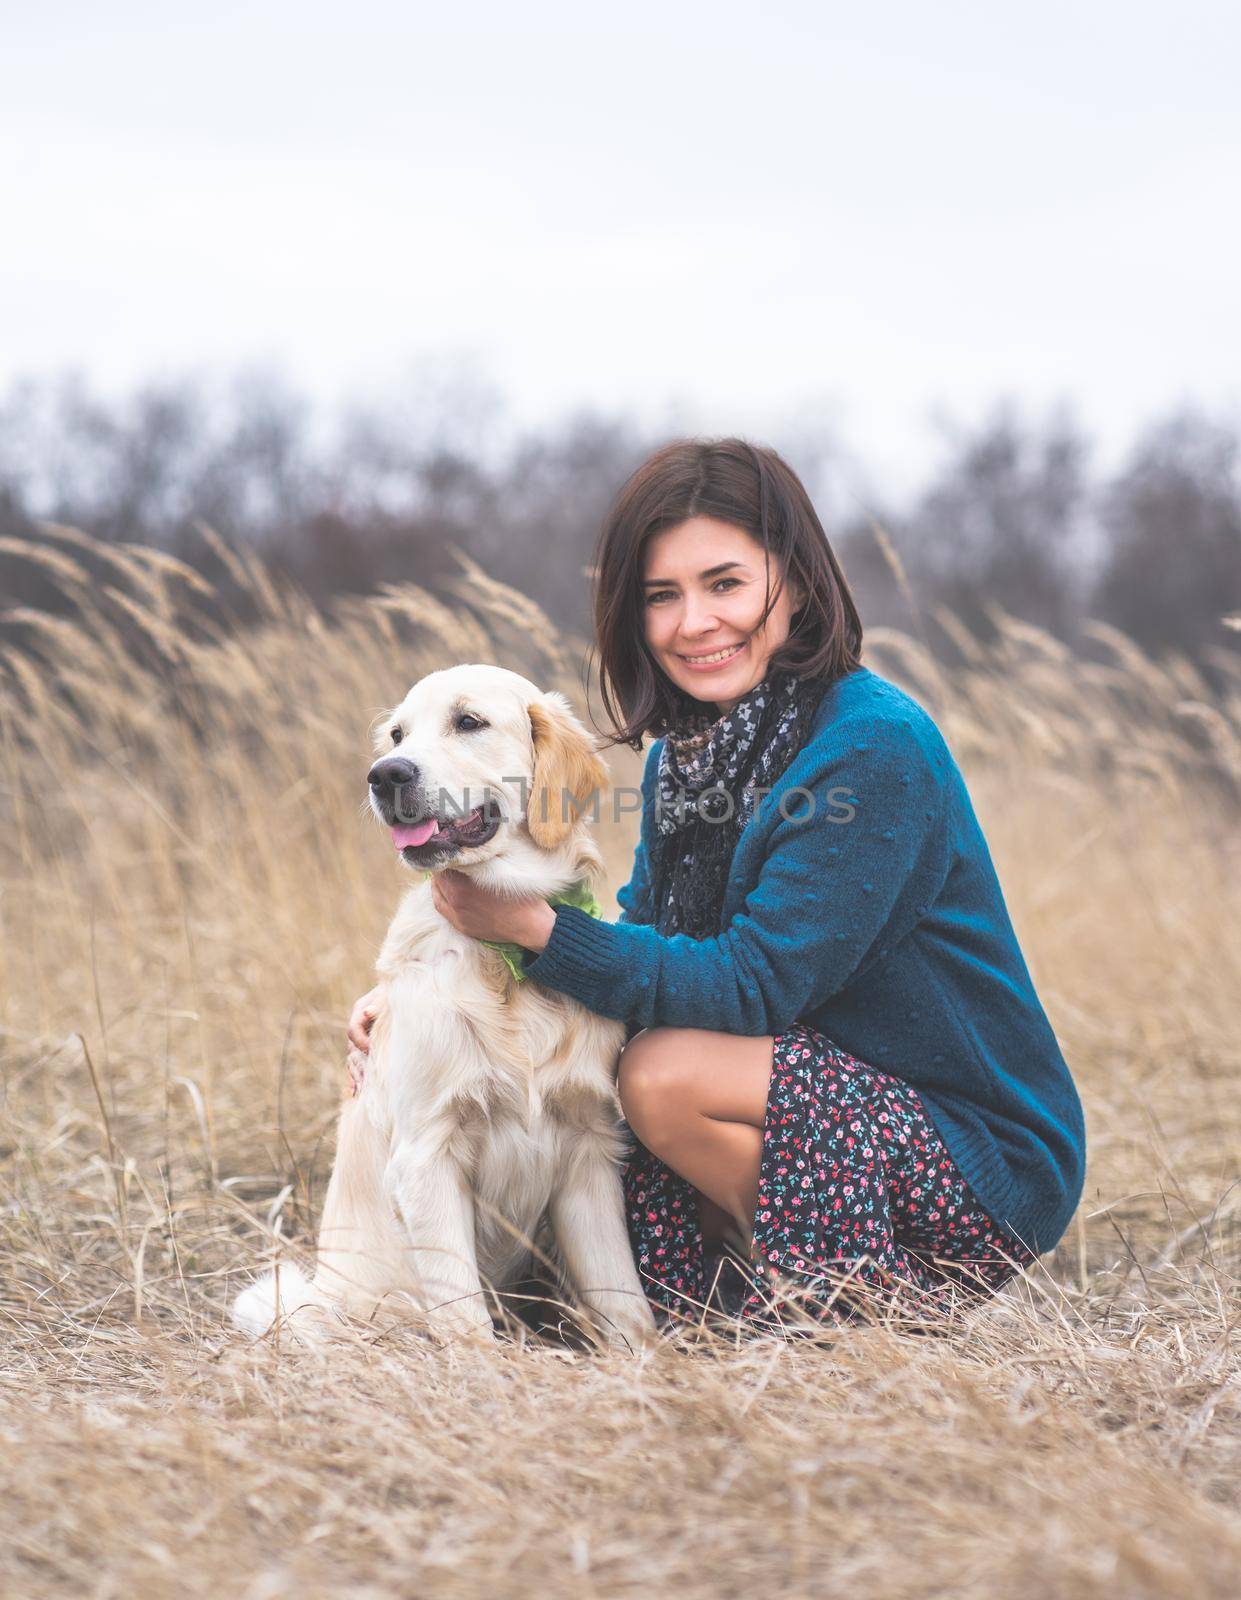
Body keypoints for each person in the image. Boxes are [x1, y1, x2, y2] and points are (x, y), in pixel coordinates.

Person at [347, 438, 1087, 1330]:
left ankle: (877, 1309)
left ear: (799, 583)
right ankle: (739, 1297)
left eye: (725, 584)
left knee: (658, 1075)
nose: (693, 622)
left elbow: (752, 983)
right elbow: (641, 935)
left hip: (974, 1147)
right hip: (804, 1092)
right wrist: (427, 987)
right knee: (597, 1244)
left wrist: (534, 931)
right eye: (663, 596)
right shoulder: (690, 755)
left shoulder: (870, 747)